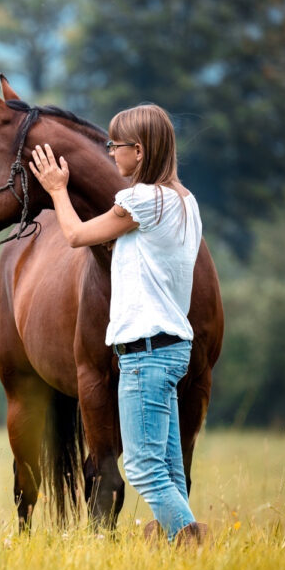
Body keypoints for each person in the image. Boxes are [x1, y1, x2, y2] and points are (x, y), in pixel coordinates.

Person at [27, 102, 208, 547]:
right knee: (167, 468)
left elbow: (73, 235)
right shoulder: (185, 201)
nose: (109, 153)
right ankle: (180, 555)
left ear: (140, 152)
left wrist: (56, 190)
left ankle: (190, 544)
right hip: (173, 350)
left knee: (145, 469)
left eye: (116, 145)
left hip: (144, 353)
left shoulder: (140, 200)